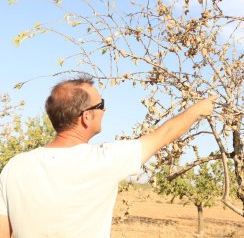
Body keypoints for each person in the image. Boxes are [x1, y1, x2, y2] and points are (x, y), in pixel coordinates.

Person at [0, 76, 218, 237]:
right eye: (101, 105)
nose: (105, 109)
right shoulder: (104, 160)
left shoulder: (15, 166)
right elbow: (165, 135)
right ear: (86, 117)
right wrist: (197, 110)